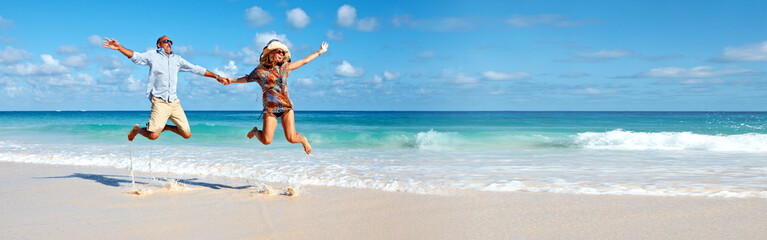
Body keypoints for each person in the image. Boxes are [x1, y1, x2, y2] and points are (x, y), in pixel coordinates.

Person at [102, 36, 226, 141]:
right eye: (166, 41)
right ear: (159, 44)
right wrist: (119, 48)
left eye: (171, 42)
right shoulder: (152, 55)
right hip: (160, 100)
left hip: (174, 102)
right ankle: (137, 130)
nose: (169, 44)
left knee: (186, 134)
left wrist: (216, 76)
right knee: (153, 136)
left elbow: (196, 69)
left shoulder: (177, 59)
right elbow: (136, 57)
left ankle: (166, 127)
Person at [222, 39, 327, 155]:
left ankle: (303, 140)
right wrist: (230, 81)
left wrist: (320, 52)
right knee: (266, 141)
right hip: (270, 109)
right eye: (279, 51)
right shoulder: (259, 71)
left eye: (283, 53)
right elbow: (246, 79)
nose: (282, 54)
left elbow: (303, 61)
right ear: (271, 53)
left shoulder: (285, 67)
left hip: (286, 107)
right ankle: (255, 131)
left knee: (291, 138)